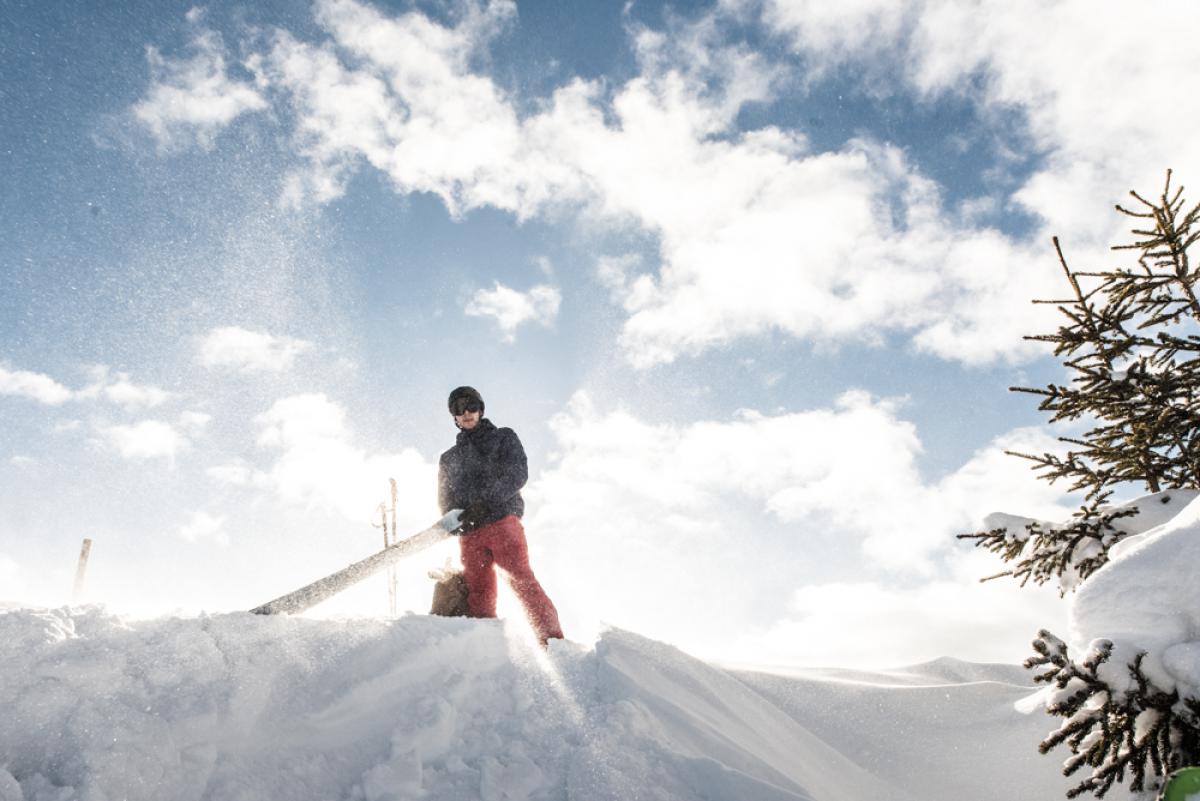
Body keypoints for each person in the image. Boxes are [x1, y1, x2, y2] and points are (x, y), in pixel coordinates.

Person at [438, 386, 564, 646]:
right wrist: (454, 523)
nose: (467, 413)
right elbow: (445, 499)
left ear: (480, 408)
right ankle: (486, 645)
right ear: (454, 417)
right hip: (470, 533)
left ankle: (552, 642)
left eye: (471, 406)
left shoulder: (503, 437)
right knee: (478, 590)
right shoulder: (449, 458)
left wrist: (485, 503)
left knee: (520, 579)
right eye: (459, 409)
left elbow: (517, 474)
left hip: (501, 522)